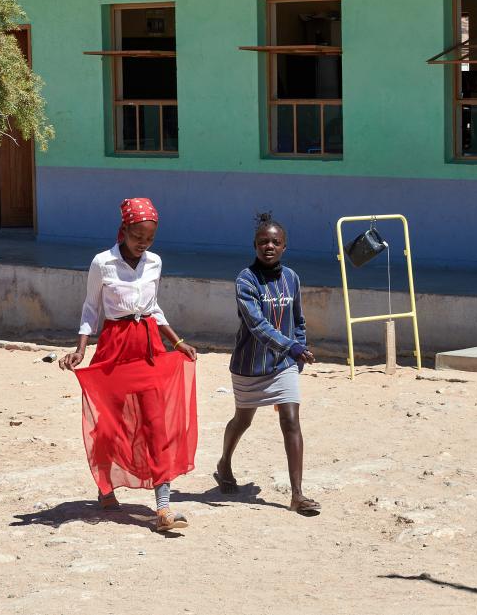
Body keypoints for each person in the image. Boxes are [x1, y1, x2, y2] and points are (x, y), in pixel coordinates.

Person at [59, 197, 198, 533]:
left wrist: (177, 341)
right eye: (138, 236)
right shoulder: (102, 263)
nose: (143, 244)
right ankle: (105, 487)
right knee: (109, 423)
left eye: (149, 238)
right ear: (123, 231)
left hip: (148, 345)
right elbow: (91, 309)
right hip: (114, 347)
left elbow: (154, 307)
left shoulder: (154, 262)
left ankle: (163, 508)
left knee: (155, 423)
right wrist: (80, 349)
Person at [215, 213, 321, 516]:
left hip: (284, 363)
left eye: (275, 242)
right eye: (263, 241)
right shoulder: (245, 281)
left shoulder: (292, 278)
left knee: (290, 419)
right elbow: (258, 326)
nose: (269, 246)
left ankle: (297, 495)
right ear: (254, 245)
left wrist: (295, 357)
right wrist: (293, 347)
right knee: (242, 421)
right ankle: (224, 463)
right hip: (250, 365)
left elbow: (298, 320)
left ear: (285, 246)